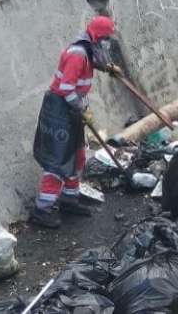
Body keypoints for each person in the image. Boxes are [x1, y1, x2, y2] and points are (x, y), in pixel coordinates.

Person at [31, 16, 119, 228]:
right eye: (106, 38)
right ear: (98, 36)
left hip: (71, 109)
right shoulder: (77, 55)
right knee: (58, 160)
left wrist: (109, 68)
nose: (108, 42)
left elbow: (97, 58)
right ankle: (42, 210)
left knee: (77, 155)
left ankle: (69, 200)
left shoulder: (88, 49)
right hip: (59, 110)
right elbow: (66, 88)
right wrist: (82, 110)